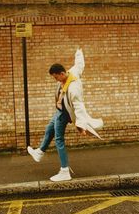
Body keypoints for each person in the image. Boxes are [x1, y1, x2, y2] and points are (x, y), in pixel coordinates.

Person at [27, 48, 103, 182]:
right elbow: (79, 65)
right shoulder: (71, 72)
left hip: (65, 114)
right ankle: (39, 153)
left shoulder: (74, 88)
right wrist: (79, 52)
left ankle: (64, 171)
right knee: (49, 129)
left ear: (62, 73)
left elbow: (79, 107)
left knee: (59, 140)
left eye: (56, 77)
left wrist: (80, 125)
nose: (56, 80)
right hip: (60, 111)